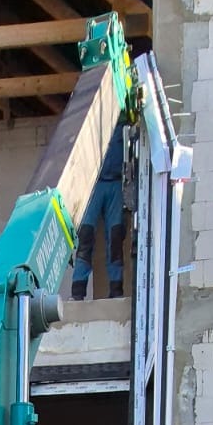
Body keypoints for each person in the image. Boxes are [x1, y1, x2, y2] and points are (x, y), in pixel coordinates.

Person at [71, 118, 126, 300]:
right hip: (93, 185)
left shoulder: (123, 117)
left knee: (116, 238)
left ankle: (116, 290)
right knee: (85, 237)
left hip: (116, 183)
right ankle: (78, 292)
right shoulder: (92, 117)